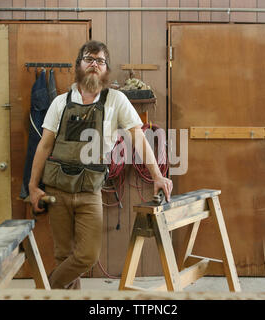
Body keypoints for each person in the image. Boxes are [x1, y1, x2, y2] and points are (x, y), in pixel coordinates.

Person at [28, 40, 173, 290]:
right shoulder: (60, 102)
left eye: (100, 60)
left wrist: (157, 176)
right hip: (57, 191)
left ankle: (45, 291)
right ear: (79, 65)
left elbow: (139, 137)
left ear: (106, 69)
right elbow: (44, 146)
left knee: (87, 256)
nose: (95, 64)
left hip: (89, 192)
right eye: (89, 59)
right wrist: (32, 187)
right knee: (64, 256)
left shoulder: (115, 100)